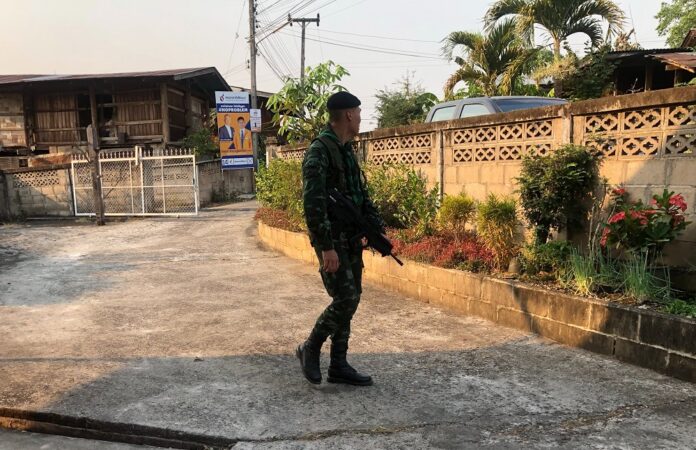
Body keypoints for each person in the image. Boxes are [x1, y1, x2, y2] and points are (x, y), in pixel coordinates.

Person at [296, 91, 388, 386]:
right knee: (346, 298)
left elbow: (359, 195)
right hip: (332, 240)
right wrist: (326, 248)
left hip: (352, 237)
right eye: (359, 112)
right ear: (348, 115)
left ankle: (338, 365)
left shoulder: (346, 149)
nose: (361, 117)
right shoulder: (320, 151)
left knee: (352, 298)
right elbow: (313, 203)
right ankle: (310, 347)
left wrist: (374, 227)